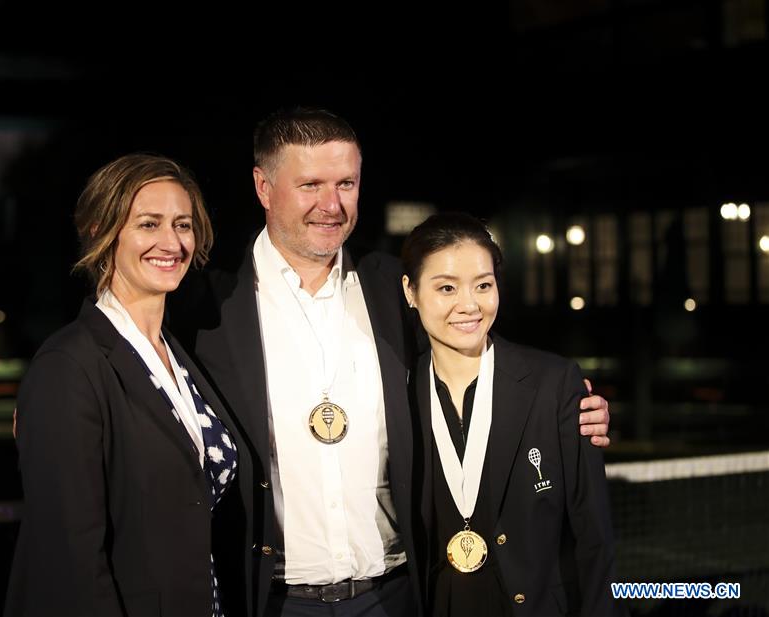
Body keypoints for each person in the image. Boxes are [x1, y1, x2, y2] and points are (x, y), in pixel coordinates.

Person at [167, 108, 612, 617]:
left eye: (346, 183)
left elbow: (479, 359)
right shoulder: (206, 310)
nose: (331, 205)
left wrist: (570, 411)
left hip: (397, 594)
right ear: (263, 187)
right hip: (271, 599)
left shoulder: (390, 288)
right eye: (310, 184)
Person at [5, 154, 249, 617]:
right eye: (148, 224)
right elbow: (68, 555)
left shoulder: (180, 357)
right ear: (101, 231)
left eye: (182, 224)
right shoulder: (68, 366)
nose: (171, 242)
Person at [401, 212, 623, 616]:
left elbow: (595, 536)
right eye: (446, 288)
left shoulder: (554, 385)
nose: (468, 305)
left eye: (483, 285)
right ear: (411, 292)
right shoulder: (399, 393)